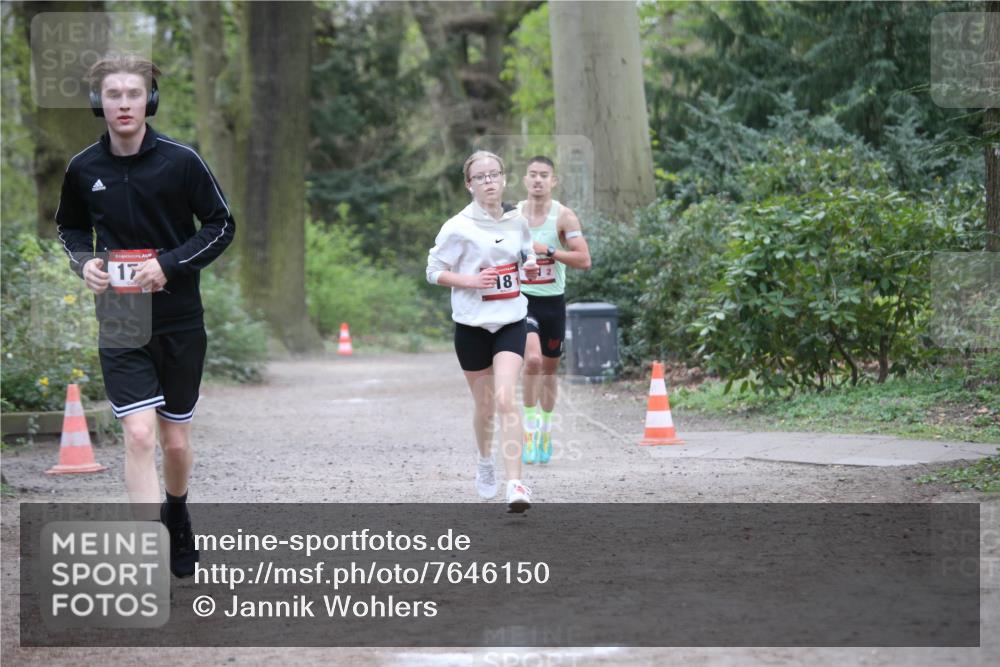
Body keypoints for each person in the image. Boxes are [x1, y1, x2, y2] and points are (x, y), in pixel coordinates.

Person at [56, 55, 235, 576]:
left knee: (174, 439)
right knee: (138, 435)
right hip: (120, 316)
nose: (124, 104)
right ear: (100, 104)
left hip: (178, 318)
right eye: (113, 95)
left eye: (134, 93)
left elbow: (222, 225)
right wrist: (84, 262)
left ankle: (176, 511)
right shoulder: (83, 167)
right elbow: (68, 229)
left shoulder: (181, 161)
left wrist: (170, 264)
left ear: (149, 100)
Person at [426, 151, 539, 512]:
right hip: (472, 326)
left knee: (506, 399)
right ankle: (484, 461)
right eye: (481, 177)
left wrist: (532, 267)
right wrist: (470, 280)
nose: (489, 181)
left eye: (494, 175)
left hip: (510, 321)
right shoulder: (456, 226)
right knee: (486, 407)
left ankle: (516, 484)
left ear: (504, 179)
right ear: (469, 184)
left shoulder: (516, 221)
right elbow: (433, 270)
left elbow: (527, 255)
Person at [518, 156, 591, 465]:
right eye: (533, 174)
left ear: (553, 181)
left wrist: (547, 250)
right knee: (532, 361)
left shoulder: (564, 217)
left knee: (549, 371)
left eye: (543, 175)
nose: (537, 180)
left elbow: (584, 260)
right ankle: (529, 432)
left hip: (553, 304)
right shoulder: (512, 216)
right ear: (525, 180)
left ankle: (545, 430)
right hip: (521, 301)